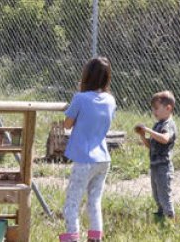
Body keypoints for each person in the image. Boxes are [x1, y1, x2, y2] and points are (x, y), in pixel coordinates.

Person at [61, 57, 116, 242]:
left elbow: (67, 124)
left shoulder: (80, 98)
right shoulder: (110, 100)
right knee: (94, 202)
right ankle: (95, 238)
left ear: (86, 76)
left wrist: (77, 98)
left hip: (84, 160)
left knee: (71, 204)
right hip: (103, 158)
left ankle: (72, 238)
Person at [134, 90, 177, 221]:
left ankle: (170, 217)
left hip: (164, 166)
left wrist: (148, 130)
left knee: (164, 194)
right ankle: (160, 214)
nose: (154, 112)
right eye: (153, 109)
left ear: (168, 108)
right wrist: (143, 136)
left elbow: (164, 139)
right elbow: (151, 145)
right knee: (156, 193)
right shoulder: (157, 125)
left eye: (157, 108)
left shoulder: (169, 125)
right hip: (155, 165)